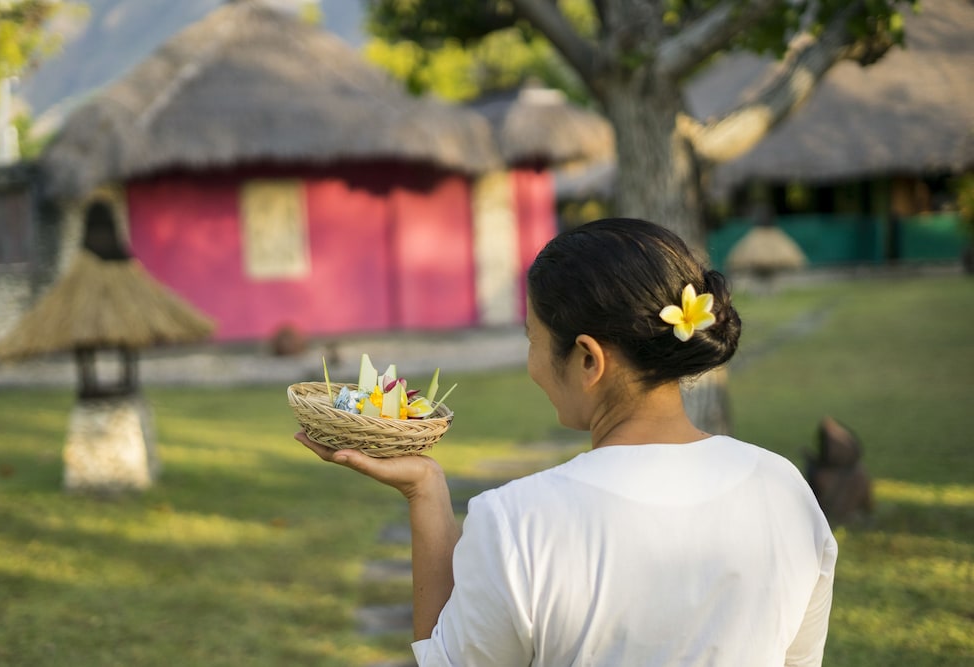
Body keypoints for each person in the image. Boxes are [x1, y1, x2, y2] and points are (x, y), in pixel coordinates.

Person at [296, 218, 838, 666]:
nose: (532, 364)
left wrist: (426, 496)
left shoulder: (519, 523)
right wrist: (427, 487)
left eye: (533, 340)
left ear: (587, 358)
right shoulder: (785, 492)